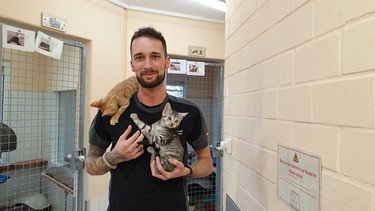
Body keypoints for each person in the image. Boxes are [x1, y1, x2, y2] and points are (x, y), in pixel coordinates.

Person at [85, 27, 213, 211]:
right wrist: (113, 157)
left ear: (167, 61)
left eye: (155, 56)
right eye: (139, 57)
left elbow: (206, 162)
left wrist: (187, 171)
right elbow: (90, 165)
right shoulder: (111, 112)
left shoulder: (189, 111)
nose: (147, 65)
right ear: (132, 64)